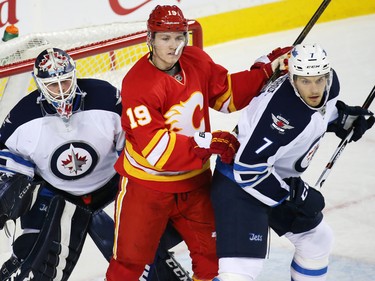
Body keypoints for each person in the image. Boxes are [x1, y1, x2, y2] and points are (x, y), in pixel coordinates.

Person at [106, 4, 293, 281]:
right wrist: (207, 143)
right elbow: (158, 151)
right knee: (129, 267)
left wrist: (266, 71)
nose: (174, 46)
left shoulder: (195, 59)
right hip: (147, 188)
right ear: (150, 39)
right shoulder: (138, 84)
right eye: (165, 38)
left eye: (179, 37)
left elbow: (226, 95)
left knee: (214, 261)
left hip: (195, 183)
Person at [0, 47, 192, 281]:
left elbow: (136, 148)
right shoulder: (21, 118)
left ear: (74, 76)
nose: (61, 92)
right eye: (52, 85)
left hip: (112, 188)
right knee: (34, 265)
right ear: (39, 84)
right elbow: (7, 164)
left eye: (65, 82)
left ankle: (166, 271)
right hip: (55, 194)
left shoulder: (106, 98)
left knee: (140, 251)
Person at [210, 43, 375, 281]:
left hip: (275, 177)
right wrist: (295, 195)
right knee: (241, 273)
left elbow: (315, 115)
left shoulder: (330, 86)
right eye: (305, 81)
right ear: (292, 78)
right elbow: (248, 170)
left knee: (316, 240)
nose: (314, 88)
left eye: (319, 79)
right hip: (238, 184)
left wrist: (342, 118)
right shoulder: (281, 114)